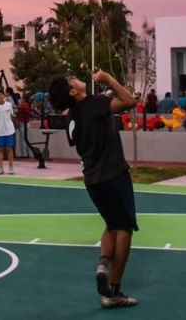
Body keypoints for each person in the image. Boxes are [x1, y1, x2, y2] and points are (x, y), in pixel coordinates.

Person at [48, 69, 139, 308]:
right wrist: (109, 79)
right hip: (114, 175)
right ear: (72, 91)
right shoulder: (95, 104)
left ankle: (103, 263)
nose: (76, 78)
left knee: (111, 223)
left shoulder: (71, 118)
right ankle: (114, 291)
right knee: (124, 229)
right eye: (72, 80)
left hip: (92, 180)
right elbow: (129, 101)